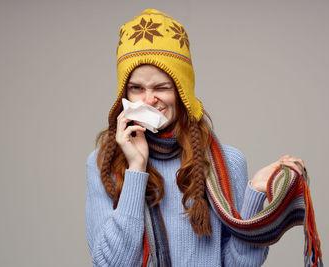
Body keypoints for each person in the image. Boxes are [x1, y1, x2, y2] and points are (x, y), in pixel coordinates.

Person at [86, 9, 307, 267]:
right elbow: (109, 264)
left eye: (161, 87)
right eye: (136, 88)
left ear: (182, 91)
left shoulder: (227, 162)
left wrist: (255, 193)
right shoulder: (103, 162)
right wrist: (136, 168)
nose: (148, 99)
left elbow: (238, 265)